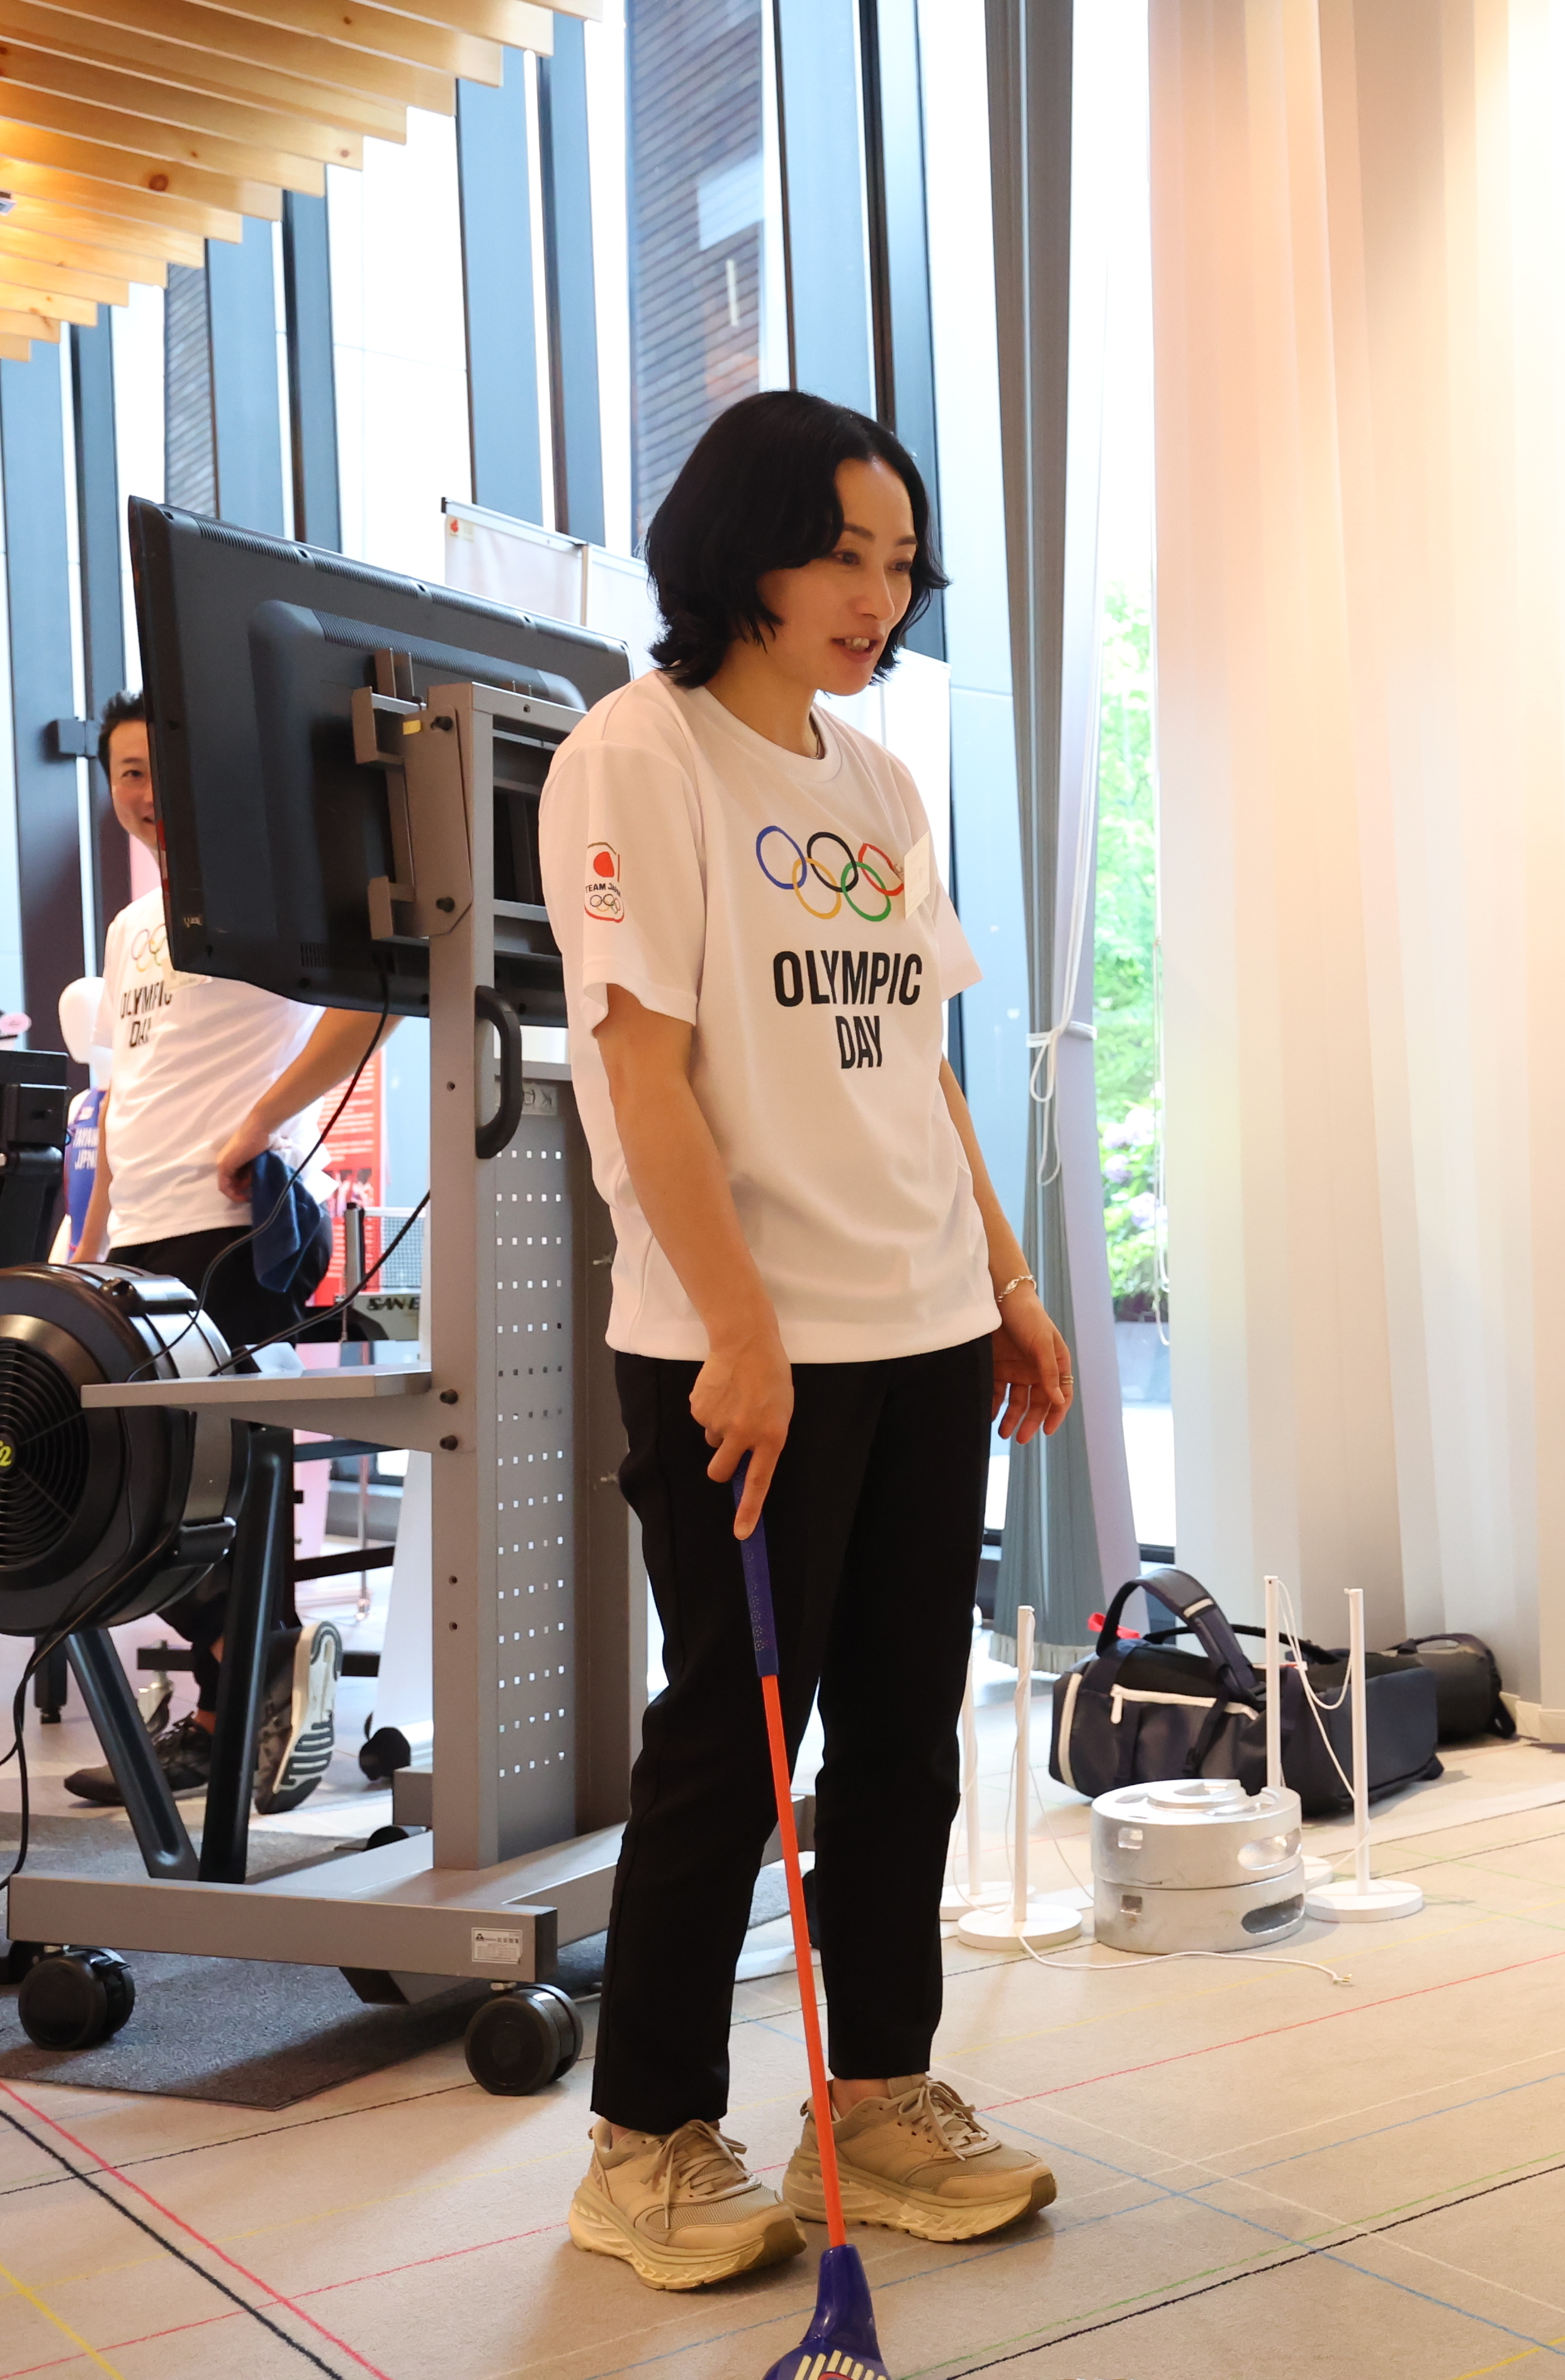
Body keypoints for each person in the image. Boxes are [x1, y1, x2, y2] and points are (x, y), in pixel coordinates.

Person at [541, 389, 1073, 2292]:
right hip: (742, 1350)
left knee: (908, 1744)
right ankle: (647, 2137)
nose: (879, 591)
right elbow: (646, 1071)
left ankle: (876, 2094)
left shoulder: (873, 779)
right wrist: (742, 1331)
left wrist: (999, 1279)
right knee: (728, 1748)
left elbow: (914, 1063)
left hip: (922, 1328)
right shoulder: (638, 757)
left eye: (901, 561)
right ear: (745, 545)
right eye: (844, 550)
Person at [60, 694, 370, 1816]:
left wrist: (260, 1124)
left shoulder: (265, 892)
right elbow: (123, 1088)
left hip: (234, 1224)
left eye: (162, 770)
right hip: (135, 1228)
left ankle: (244, 1707)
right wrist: (87, 1233)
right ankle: (249, 1686)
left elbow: (365, 1011)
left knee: (220, 1473)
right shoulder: (131, 925)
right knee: (143, 1478)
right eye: (127, 774)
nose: (146, 796)